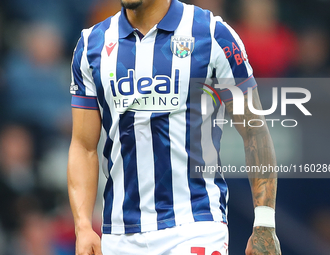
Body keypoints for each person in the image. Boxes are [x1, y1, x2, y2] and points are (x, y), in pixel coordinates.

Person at [67, 0, 281, 254]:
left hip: (195, 223)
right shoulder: (93, 43)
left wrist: (264, 224)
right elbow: (83, 146)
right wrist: (82, 226)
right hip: (119, 234)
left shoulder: (212, 35)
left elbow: (254, 130)